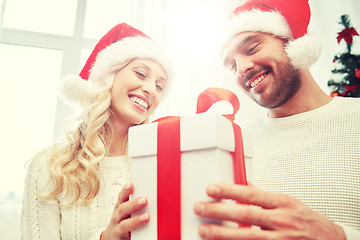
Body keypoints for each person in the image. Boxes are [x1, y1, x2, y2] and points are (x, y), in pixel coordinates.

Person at [193, 0, 360, 239]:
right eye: (231, 66)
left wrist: (338, 235)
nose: (241, 69)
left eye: (251, 49)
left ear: (293, 42)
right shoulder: (235, 145)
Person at [21, 23, 171, 240]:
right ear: (107, 77)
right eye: (140, 74)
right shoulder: (48, 166)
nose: (150, 89)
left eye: (159, 86)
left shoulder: (157, 168)